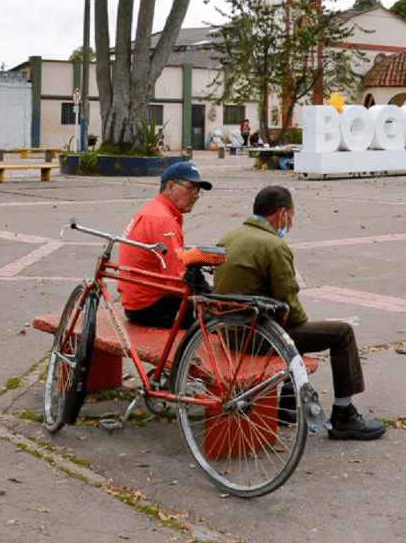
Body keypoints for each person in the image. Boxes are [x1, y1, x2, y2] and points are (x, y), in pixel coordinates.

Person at [214, 185, 385, 441]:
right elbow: (290, 305)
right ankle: (344, 415)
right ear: (282, 214)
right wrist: (303, 323)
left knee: (294, 330)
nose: (290, 225)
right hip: (255, 338)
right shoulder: (273, 245)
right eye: (291, 218)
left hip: (228, 332)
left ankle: (286, 404)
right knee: (341, 334)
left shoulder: (230, 237)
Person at [118, 162, 212, 329]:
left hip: (138, 302)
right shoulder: (162, 220)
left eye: (198, 190)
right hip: (150, 308)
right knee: (225, 314)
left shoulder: (155, 210)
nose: (196, 195)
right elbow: (176, 281)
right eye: (191, 188)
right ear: (170, 186)